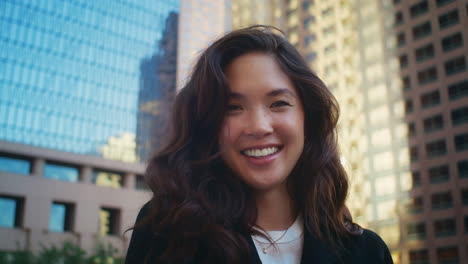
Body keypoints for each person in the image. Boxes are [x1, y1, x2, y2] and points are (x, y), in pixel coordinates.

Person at [125, 25, 393, 264]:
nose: (259, 126)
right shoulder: (166, 234)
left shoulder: (368, 252)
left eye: (279, 103)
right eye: (232, 108)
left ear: (307, 118)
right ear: (208, 126)